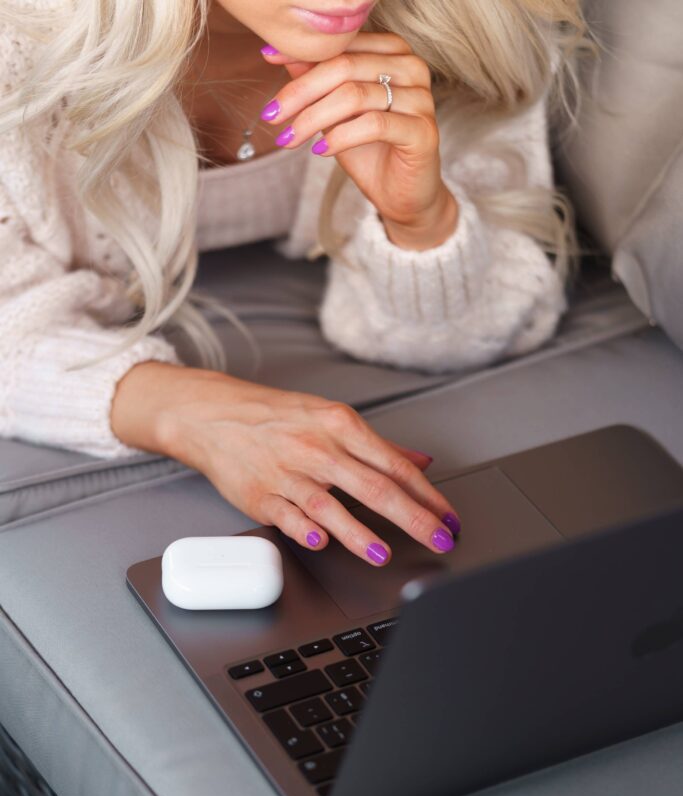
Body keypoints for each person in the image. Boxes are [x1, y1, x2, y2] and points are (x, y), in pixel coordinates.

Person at [0, 0, 597, 566]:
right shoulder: (19, 39)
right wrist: (187, 411)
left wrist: (421, 221)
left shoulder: (462, 23)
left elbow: (468, 333)